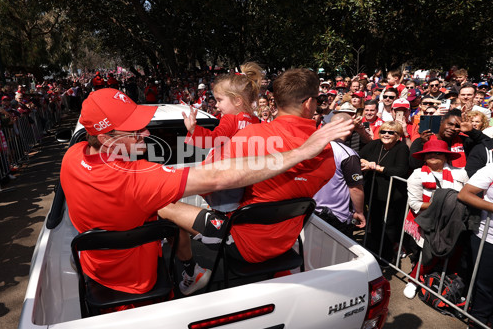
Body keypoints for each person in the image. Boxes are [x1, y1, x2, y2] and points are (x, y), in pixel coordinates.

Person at [60, 87, 353, 298]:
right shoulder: (140, 180)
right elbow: (217, 177)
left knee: (163, 208)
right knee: (167, 208)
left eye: (143, 126)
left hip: (95, 270)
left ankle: (191, 265)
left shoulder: (72, 156)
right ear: (104, 137)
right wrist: (300, 152)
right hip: (143, 282)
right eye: (134, 132)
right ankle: (192, 265)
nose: (146, 134)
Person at [160, 68, 345, 293]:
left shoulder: (250, 137)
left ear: (275, 101)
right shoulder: (326, 154)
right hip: (284, 244)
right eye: (318, 99)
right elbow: (294, 193)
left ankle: (192, 271)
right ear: (308, 104)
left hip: (240, 242)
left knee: (163, 206)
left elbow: (209, 185)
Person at [403, 139, 468, 299]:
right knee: (429, 254)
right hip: (430, 222)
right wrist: (439, 205)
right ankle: (414, 280)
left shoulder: (461, 173)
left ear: (446, 157)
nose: (433, 156)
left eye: (438, 153)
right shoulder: (417, 175)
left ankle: (447, 281)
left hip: (455, 223)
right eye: (429, 153)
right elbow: (415, 203)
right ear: (424, 157)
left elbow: (467, 196)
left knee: (455, 253)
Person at [360, 121, 410, 262]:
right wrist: (364, 161)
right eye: (383, 131)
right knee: (375, 224)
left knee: (388, 227)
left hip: (392, 196)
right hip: (373, 193)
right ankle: (374, 253)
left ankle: (387, 257)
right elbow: (357, 156)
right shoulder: (375, 144)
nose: (386, 135)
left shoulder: (402, 148)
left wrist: (376, 168)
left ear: (398, 135)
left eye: (391, 132)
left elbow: (400, 171)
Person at [314, 113, 366, 238]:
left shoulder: (314, 145)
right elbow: (355, 188)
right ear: (348, 128)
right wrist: (359, 212)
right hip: (335, 217)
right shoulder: (348, 154)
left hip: (311, 210)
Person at [458, 165, 493, 329]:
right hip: (488, 237)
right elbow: (464, 194)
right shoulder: (491, 169)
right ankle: (479, 320)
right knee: (485, 283)